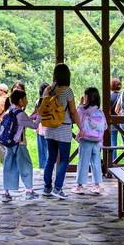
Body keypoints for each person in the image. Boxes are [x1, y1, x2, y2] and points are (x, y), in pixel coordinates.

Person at [39, 63, 79, 199]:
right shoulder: (68, 91)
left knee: (50, 158)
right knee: (63, 159)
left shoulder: (48, 90)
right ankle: (58, 188)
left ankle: (47, 187)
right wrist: (81, 127)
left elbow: (42, 107)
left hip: (49, 128)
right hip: (64, 128)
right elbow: (73, 111)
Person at [0, 89, 41, 201]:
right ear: (20, 100)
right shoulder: (21, 114)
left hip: (9, 144)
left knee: (8, 166)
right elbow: (34, 125)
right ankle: (29, 191)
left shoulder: (10, 111)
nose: (27, 101)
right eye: (25, 99)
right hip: (19, 145)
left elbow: (24, 120)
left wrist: (33, 115)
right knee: (26, 166)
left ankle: (6, 192)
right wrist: (40, 116)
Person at [74, 87, 105, 195]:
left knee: (83, 162)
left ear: (87, 97)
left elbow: (76, 116)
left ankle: (80, 185)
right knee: (96, 162)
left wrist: (80, 103)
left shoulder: (82, 109)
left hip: (86, 139)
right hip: (97, 140)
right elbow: (104, 126)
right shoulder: (100, 111)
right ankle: (97, 185)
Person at [34, 83, 49, 170]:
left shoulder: (38, 102)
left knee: (41, 151)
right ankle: (49, 168)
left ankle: (42, 168)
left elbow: (36, 114)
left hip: (40, 128)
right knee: (49, 150)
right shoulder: (52, 101)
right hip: (49, 128)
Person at [109, 77, 122, 162]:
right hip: (122, 121)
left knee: (113, 142)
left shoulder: (109, 96)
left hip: (112, 121)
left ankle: (113, 162)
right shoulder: (122, 95)